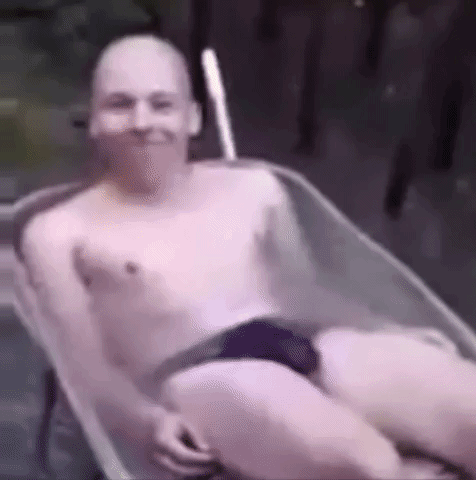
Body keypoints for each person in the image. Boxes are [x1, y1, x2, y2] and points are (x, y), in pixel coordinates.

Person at [15, 31, 476, 480]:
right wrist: (143, 420)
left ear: (193, 118)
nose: (142, 122)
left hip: (302, 340)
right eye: (120, 105)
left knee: (466, 408)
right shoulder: (58, 233)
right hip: (199, 373)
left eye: (162, 104)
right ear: (94, 121)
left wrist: (389, 332)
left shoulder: (257, 188)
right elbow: (81, 364)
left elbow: (310, 292)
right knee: (366, 465)